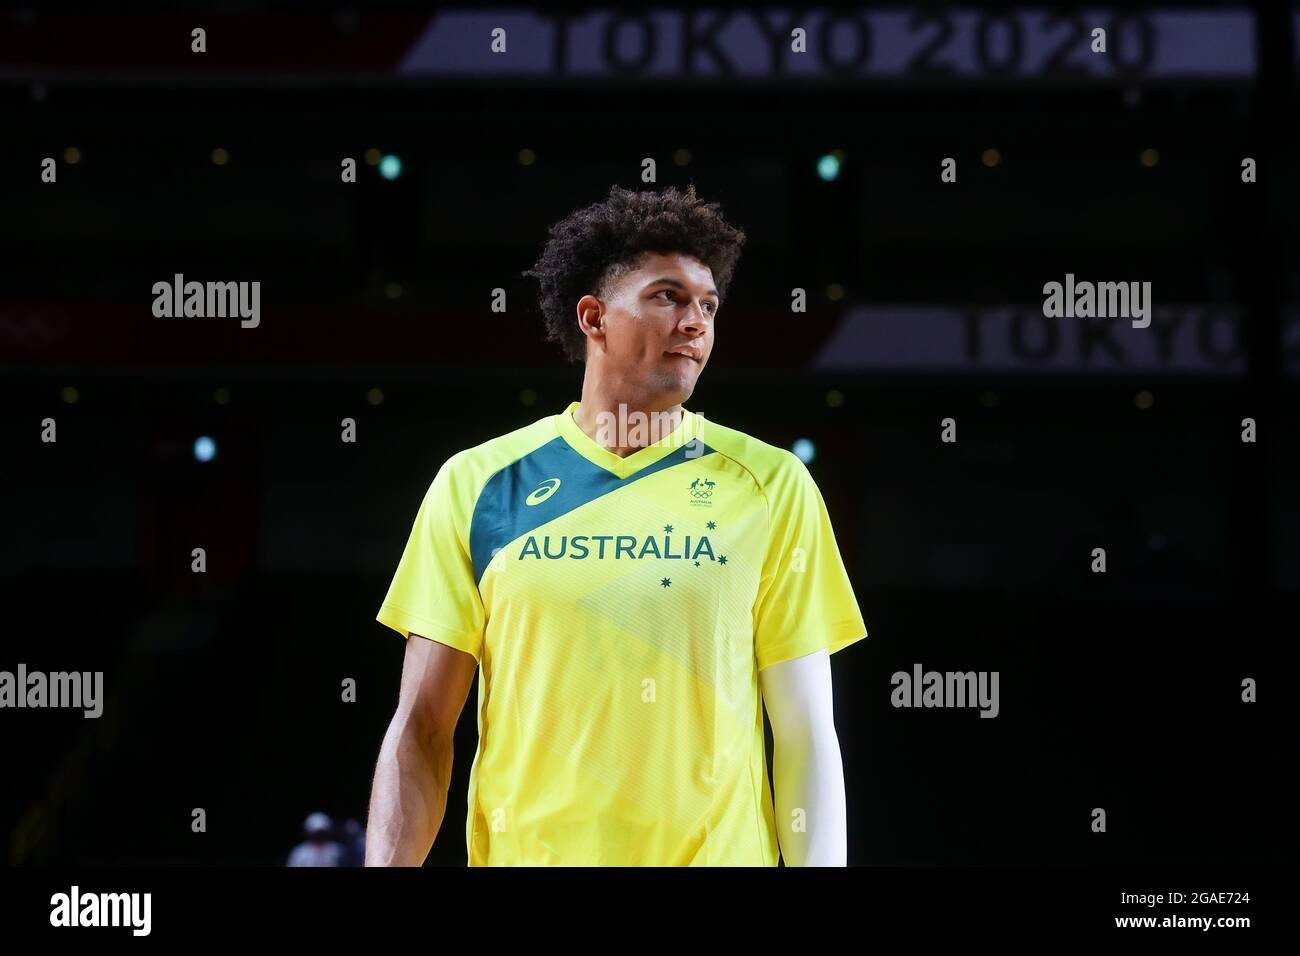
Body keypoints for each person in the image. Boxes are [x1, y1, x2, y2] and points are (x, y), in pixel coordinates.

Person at [367, 184, 866, 866]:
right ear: (594, 317)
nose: (696, 322)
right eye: (667, 297)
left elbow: (806, 731)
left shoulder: (771, 486)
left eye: (709, 306)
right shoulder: (477, 484)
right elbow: (421, 728)